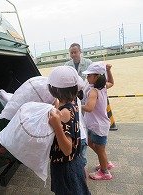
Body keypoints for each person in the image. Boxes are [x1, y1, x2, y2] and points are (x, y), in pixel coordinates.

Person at [48, 66, 91, 195]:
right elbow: (60, 105)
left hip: (65, 165)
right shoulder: (73, 103)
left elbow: (67, 150)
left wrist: (56, 126)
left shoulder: (64, 113)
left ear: (53, 90)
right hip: (73, 162)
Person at [82, 62, 114, 180]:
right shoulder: (103, 86)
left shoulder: (94, 91)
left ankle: (104, 172)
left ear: (97, 77)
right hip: (95, 124)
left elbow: (89, 108)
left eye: (89, 75)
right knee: (90, 142)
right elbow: (112, 82)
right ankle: (104, 162)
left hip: (98, 126)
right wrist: (109, 70)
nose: (87, 77)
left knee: (100, 149)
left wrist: (77, 106)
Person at [65, 43, 92, 169]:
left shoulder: (88, 62)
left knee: (83, 119)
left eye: (75, 52)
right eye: (71, 52)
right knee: (76, 118)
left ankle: (83, 137)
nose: (73, 54)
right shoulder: (67, 65)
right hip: (72, 95)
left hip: (84, 94)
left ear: (80, 51)